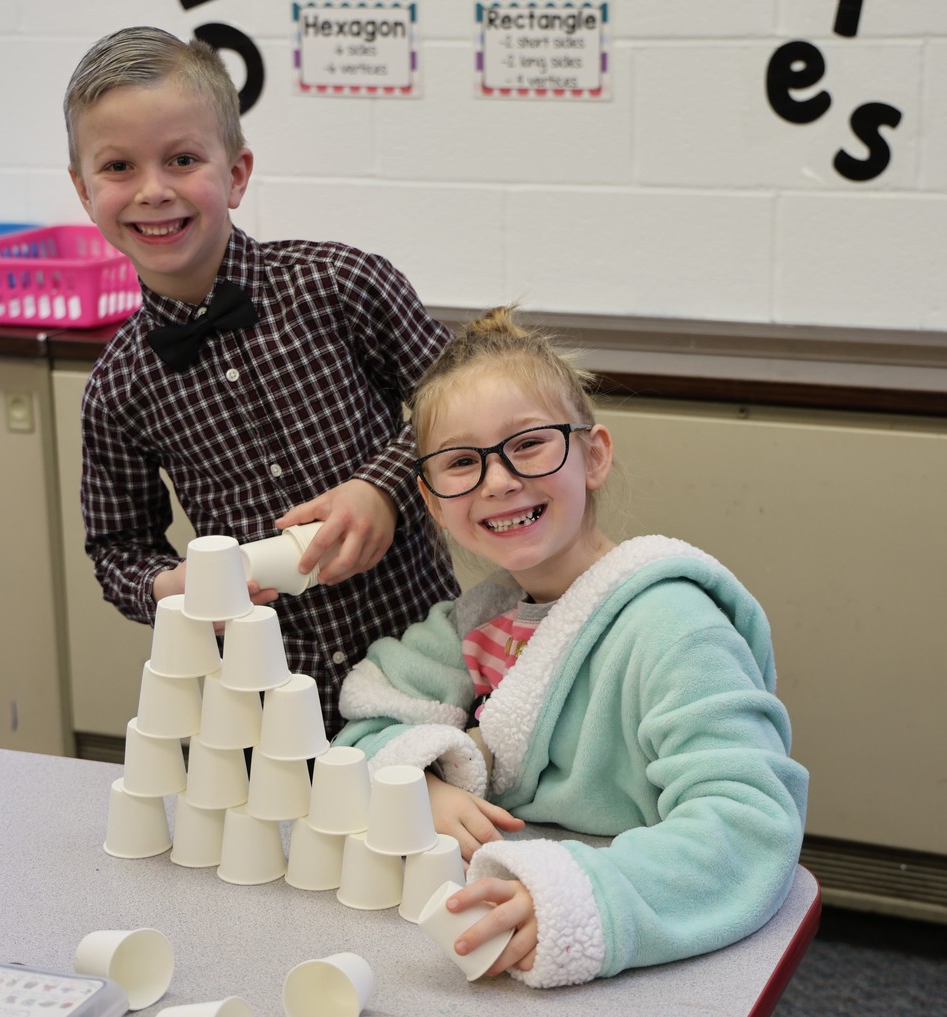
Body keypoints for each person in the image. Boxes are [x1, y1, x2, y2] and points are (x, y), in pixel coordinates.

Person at [333, 306, 809, 987]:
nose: (497, 479)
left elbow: (748, 825)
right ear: (434, 502)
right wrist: (421, 781)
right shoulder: (478, 620)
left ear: (593, 455)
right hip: (500, 918)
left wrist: (574, 899)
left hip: (645, 938)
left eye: (528, 444)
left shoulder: (675, 624)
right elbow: (369, 718)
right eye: (462, 461)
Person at [64, 26, 459, 735]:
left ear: (237, 173)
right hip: (273, 704)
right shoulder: (117, 385)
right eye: (119, 166)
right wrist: (176, 589)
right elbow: (117, 550)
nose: (153, 190)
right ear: (84, 190)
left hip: (430, 669)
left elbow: (465, 401)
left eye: (182, 159)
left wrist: (385, 487)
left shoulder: (339, 283)